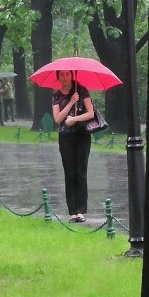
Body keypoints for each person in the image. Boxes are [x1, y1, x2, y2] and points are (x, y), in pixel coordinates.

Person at [51, 70, 94, 223]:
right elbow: (57, 119)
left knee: (80, 172)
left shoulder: (81, 90)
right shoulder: (56, 96)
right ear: (58, 77)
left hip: (82, 136)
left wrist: (75, 118)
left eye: (68, 74)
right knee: (69, 173)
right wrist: (70, 102)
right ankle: (72, 211)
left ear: (72, 75)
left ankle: (81, 210)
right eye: (61, 75)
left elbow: (90, 113)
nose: (65, 77)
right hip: (65, 137)